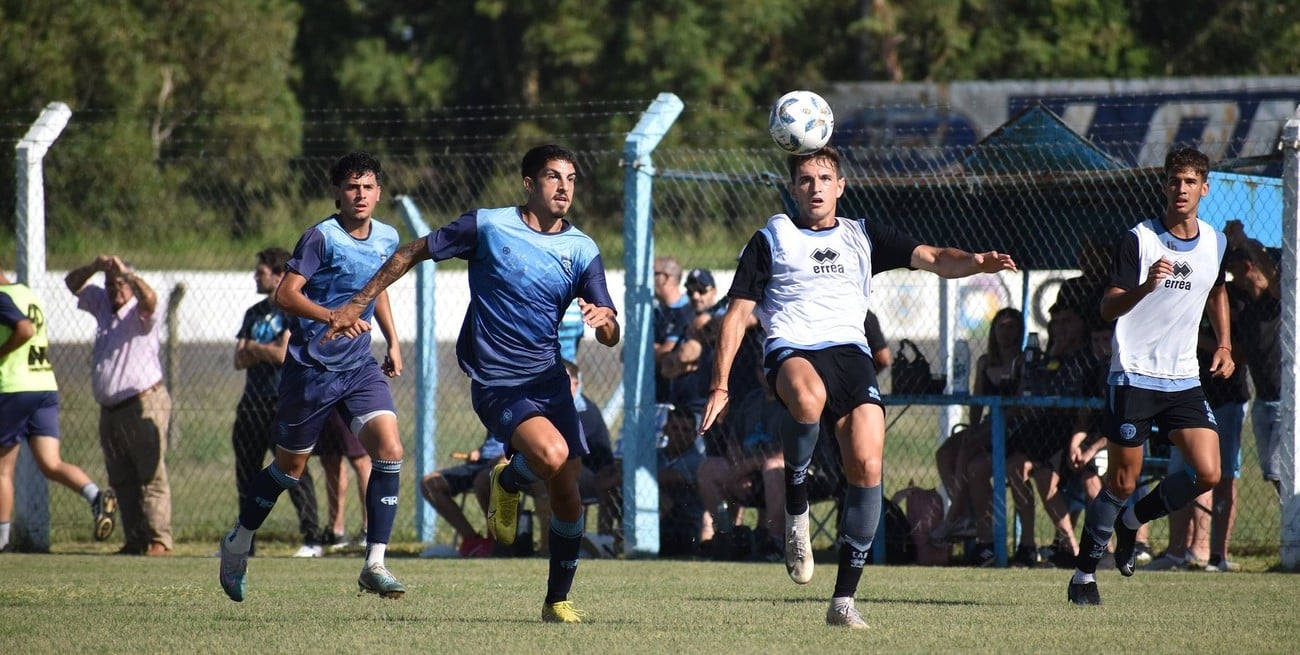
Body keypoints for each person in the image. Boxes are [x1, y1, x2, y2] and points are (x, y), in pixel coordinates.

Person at [701, 145, 1017, 628]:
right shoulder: (773, 236)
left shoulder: (862, 235)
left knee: (868, 465)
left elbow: (932, 257)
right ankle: (796, 503)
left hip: (851, 355)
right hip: (793, 347)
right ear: (793, 188)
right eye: (805, 179)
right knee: (807, 398)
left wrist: (976, 261)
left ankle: (843, 601)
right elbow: (739, 313)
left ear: (841, 186)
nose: (815, 188)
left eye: (825, 178)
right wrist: (720, 385)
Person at [322, 144, 620, 623]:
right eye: (552, 177)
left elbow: (610, 333)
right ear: (529, 184)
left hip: (549, 380)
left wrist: (604, 321)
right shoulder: (488, 225)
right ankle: (510, 474)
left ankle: (556, 600)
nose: (564, 187)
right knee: (552, 455)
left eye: (571, 178)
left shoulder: (581, 249)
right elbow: (410, 252)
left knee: (566, 492)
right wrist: (360, 303)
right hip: (497, 380)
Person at [218, 151, 406, 602]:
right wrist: (331, 316)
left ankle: (375, 562)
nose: (359, 195)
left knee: (390, 449)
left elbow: (374, 290)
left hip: (360, 366)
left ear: (378, 192)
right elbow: (286, 294)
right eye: (350, 187)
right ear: (337, 193)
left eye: (367, 187)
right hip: (312, 370)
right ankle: (239, 540)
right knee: (289, 469)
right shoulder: (321, 238)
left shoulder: (388, 236)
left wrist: (393, 340)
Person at [1067, 147, 1234, 606]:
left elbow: (1218, 288)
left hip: (1183, 377)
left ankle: (1133, 520)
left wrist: (1223, 344)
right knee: (1121, 480)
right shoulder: (1140, 240)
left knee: (1209, 472)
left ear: (1205, 187)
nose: (1180, 189)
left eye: (1189, 181)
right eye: (1173, 181)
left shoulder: (1215, 243)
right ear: (1164, 186)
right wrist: (1146, 286)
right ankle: (1083, 575)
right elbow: (1106, 307)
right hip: (1134, 375)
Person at [0, 271, 116, 551]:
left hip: (14, 386)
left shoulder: (2, 298)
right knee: (50, 463)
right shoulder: (27, 294)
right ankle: (95, 496)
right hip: (44, 386)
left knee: (3, 470)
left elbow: (24, 330)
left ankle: (1, 540)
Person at [65, 255, 173, 556]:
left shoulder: (139, 311)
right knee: (121, 478)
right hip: (110, 409)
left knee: (150, 475)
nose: (116, 289)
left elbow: (150, 298)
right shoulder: (102, 305)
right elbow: (71, 284)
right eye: (111, 284)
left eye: (121, 284)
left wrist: (126, 273)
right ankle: (136, 540)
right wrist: (93, 268)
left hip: (142, 402)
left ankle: (159, 541)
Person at [230, 246, 324, 558]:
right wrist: (263, 349)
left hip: (282, 403)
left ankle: (312, 538)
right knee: (246, 473)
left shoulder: (292, 311)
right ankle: (245, 541)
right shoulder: (252, 313)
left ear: (279, 274)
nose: (256, 277)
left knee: (293, 471)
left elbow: (283, 355)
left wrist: (256, 349)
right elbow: (238, 360)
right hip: (251, 402)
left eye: (261, 272)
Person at [1145, 315, 1249, 572]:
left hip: (1226, 399)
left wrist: (1197, 338)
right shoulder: (1181, 303)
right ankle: (1176, 552)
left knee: (1222, 477)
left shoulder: (1231, 307)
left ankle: (1216, 555)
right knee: (1179, 474)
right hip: (1187, 400)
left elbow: (1242, 352)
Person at [929, 307, 1023, 547]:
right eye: (1000, 327)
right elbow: (978, 402)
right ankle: (964, 514)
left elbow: (1019, 406)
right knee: (945, 452)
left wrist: (978, 435)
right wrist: (973, 428)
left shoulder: (1023, 361)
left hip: (1013, 428)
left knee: (968, 454)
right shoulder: (985, 362)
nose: (1005, 332)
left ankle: (954, 517)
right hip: (987, 425)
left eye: (1011, 327)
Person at [1221, 235, 1282, 497]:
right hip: (1263, 399)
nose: (1230, 274)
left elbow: (1274, 278)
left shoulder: (1278, 300)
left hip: (1287, 400)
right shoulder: (1242, 302)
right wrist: (1225, 239)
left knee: (1280, 470)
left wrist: (1246, 241)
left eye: (1234, 268)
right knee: (1272, 473)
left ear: (1247, 267)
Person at [418, 432, 505, 558]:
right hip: (481, 463)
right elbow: (495, 442)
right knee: (430, 484)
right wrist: (480, 451)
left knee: (484, 479)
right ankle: (473, 541)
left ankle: (496, 542)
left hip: (507, 463)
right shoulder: (492, 413)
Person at [316, 408, 372, 553]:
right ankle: (337, 532)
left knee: (360, 459)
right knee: (330, 458)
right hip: (324, 396)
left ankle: (370, 531)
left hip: (350, 395)